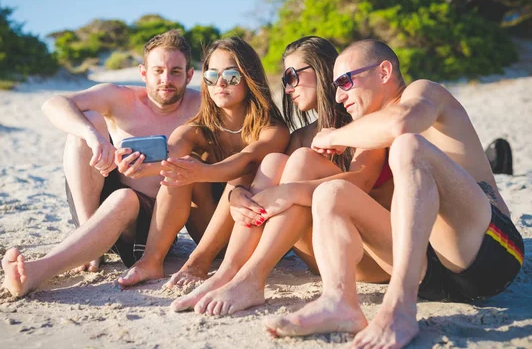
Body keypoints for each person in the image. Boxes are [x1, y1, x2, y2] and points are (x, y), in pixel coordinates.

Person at [263, 40, 524, 349]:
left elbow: (403, 122)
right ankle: (339, 302)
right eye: (334, 86)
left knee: (408, 146)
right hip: (427, 270)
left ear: (384, 72)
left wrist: (335, 136)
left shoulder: (424, 92)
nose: (337, 95)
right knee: (330, 193)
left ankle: (400, 306)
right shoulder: (369, 128)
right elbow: (359, 182)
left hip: (488, 252)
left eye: (345, 82)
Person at [169, 36, 391, 314]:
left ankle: (253, 277)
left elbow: (362, 182)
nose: (288, 89)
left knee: (300, 161)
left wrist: (288, 192)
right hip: (321, 255)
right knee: (274, 161)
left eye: (293, 76)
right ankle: (228, 274)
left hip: (371, 256)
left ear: (323, 70)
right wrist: (238, 195)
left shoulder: (363, 123)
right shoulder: (300, 136)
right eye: (285, 80)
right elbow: (260, 176)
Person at [1, 30, 201, 297]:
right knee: (87, 121)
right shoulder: (120, 97)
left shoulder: (200, 106)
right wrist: (94, 137)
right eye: (158, 71)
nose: (166, 80)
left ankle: (35, 273)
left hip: (154, 223)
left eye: (176, 72)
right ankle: (86, 236)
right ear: (143, 73)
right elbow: (53, 104)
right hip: (97, 205)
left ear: (189, 75)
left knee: (126, 198)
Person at [115, 37, 290, 287]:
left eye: (230, 76)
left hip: (257, 235)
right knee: (181, 167)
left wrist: (204, 172)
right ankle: (151, 260)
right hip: (209, 229)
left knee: (240, 177)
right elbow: (171, 151)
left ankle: (198, 262)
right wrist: (139, 164)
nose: (219, 84)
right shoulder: (196, 129)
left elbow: (248, 161)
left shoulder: (273, 129)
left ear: (249, 77)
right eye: (211, 76)